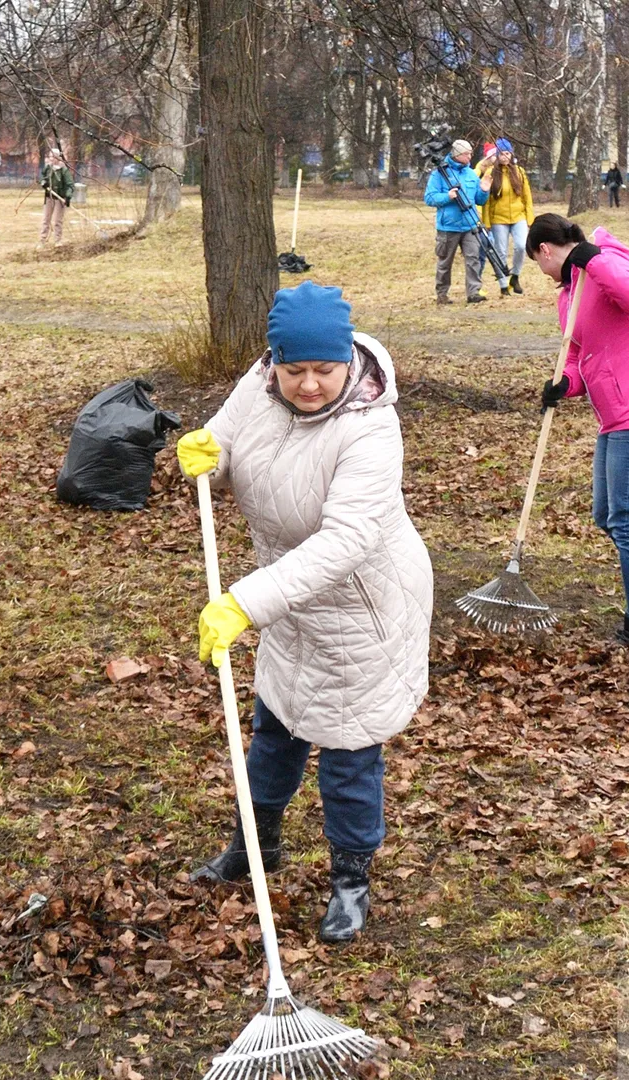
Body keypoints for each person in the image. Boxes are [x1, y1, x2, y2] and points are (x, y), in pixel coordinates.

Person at [174, 282, 432, 945]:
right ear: (274, 361)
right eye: (296, 371)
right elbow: (227, 436)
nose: (310, 385)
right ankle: (252, 849)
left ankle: (351, 880)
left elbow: (345, 543)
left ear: (348, 359)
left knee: (348, 755)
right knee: (276, 730)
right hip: (290, 598)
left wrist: (243, 602)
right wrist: (210, 452)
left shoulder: (371, 427)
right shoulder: (261, 383)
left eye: (325, 370)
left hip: (362, 611)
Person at [528, 213, 629, 650]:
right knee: (608, 516)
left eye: (537, 262)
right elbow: (579, 353)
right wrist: (566, 384)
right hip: (616, 414)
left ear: (545, 250)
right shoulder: (568, 294)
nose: (541, 272)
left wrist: (593, 259)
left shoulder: (608, 262)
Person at [424, 139, 491, 305]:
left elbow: (479, 200)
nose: (470, 156)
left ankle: (474, 292)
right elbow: (429, 198)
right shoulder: (439, 174)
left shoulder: (470, 174)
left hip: (470, 224)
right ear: (457, 154)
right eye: (467, 154)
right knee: (445, 262)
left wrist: (484, 190)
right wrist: (447, 197)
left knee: (473, 259)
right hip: (448, 226)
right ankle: (442, 294)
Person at [477, 138, 534, 297]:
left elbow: (527, 197)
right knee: (500, 251)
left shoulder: (519, 172)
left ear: (511, 154)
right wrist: (486, 221)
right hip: (498, 219)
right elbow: (486, 201)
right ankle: (503, 284)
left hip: (518, 216)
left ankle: (515, 276)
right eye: (501, 153)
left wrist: (530, 219)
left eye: (507, 153)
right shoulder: (490, 173)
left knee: (521, 246)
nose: (504, 156)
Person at [38, 147, 73, 246]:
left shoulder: (64, 171)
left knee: (57, 221)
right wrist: (43, 183)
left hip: (59, 199)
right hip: (49, 198)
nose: (50, 159)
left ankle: (58, 241)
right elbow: (42, 177)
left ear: (58, 158)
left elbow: (70, 185)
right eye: (50, 157)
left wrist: (67, 196)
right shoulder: (48, 168)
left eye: (52, 157)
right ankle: (42, 241)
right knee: (45, 220)